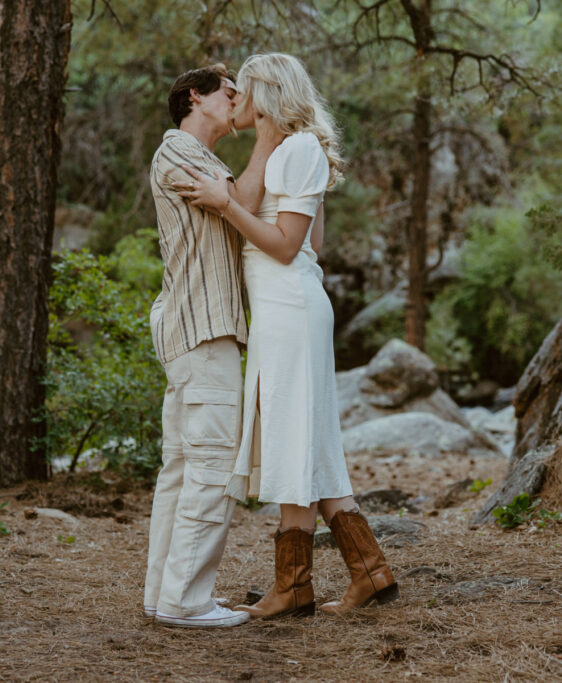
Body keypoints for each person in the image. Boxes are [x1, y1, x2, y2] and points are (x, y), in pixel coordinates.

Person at [178, 53, 400, 619]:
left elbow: (286, 245)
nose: (234, 100)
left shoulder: (299, 150)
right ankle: (357, 574)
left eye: (242, 90)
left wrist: (224, 204)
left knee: (295, 436)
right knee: (302, 440)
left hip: (292, 308)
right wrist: (260, 144)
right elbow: (262, 209)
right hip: (280, 308)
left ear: (266, 93)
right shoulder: (283, 147)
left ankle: (302, 583)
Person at [143, 64, 280, 628]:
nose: (238, 100)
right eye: (229, 92)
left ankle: (163, 596)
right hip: (201, 331)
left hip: (198, 330)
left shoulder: (205, 160)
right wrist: (270, 137)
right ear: (194, 97)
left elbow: (233, 201)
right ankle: (187, 601)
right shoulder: (178, 151)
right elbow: (241, 199)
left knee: (181, 468)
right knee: (210, 466)